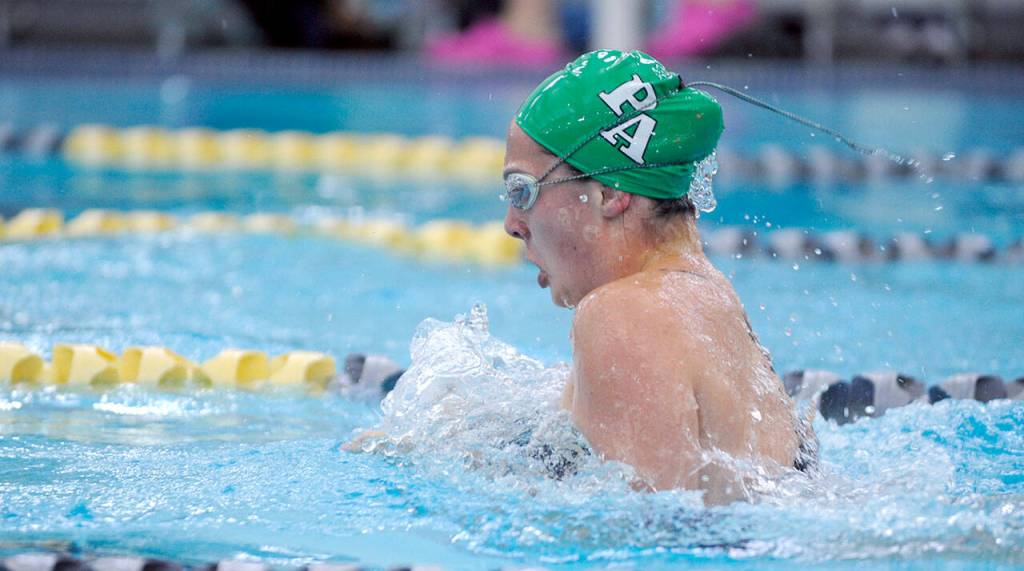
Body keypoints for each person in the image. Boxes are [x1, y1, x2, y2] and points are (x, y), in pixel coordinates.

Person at [500, 50, 813, 504]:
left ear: (608, 193)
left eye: (522, 191)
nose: (511, 223)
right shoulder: (706, 299)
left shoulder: (621, 316)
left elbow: (644, 536)